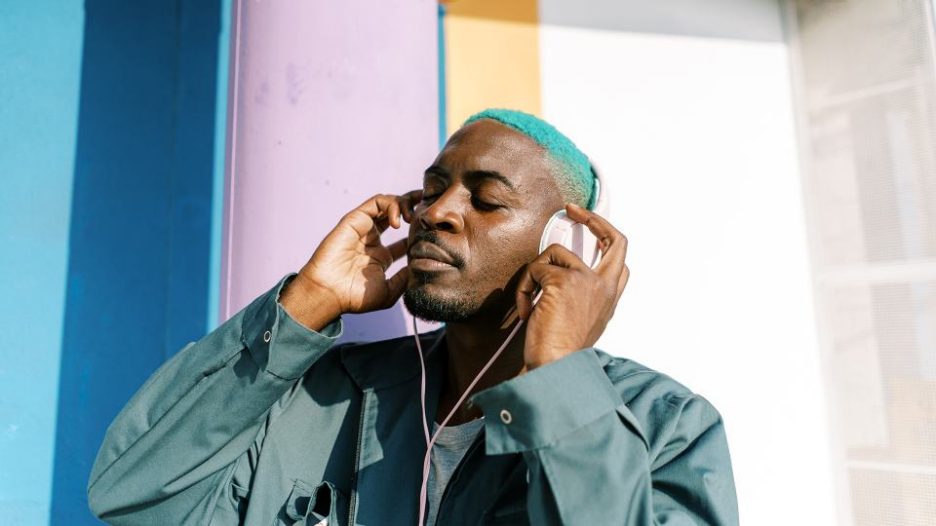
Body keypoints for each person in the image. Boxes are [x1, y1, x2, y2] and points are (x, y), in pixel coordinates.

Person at [88, 109, 739, 525]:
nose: (436, 212)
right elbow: (131, 493)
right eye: (431, 191)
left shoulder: (669, 428)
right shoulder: (321, 396)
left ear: (562, 246)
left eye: (485, 200)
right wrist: (306, 305)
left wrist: (562, 377)